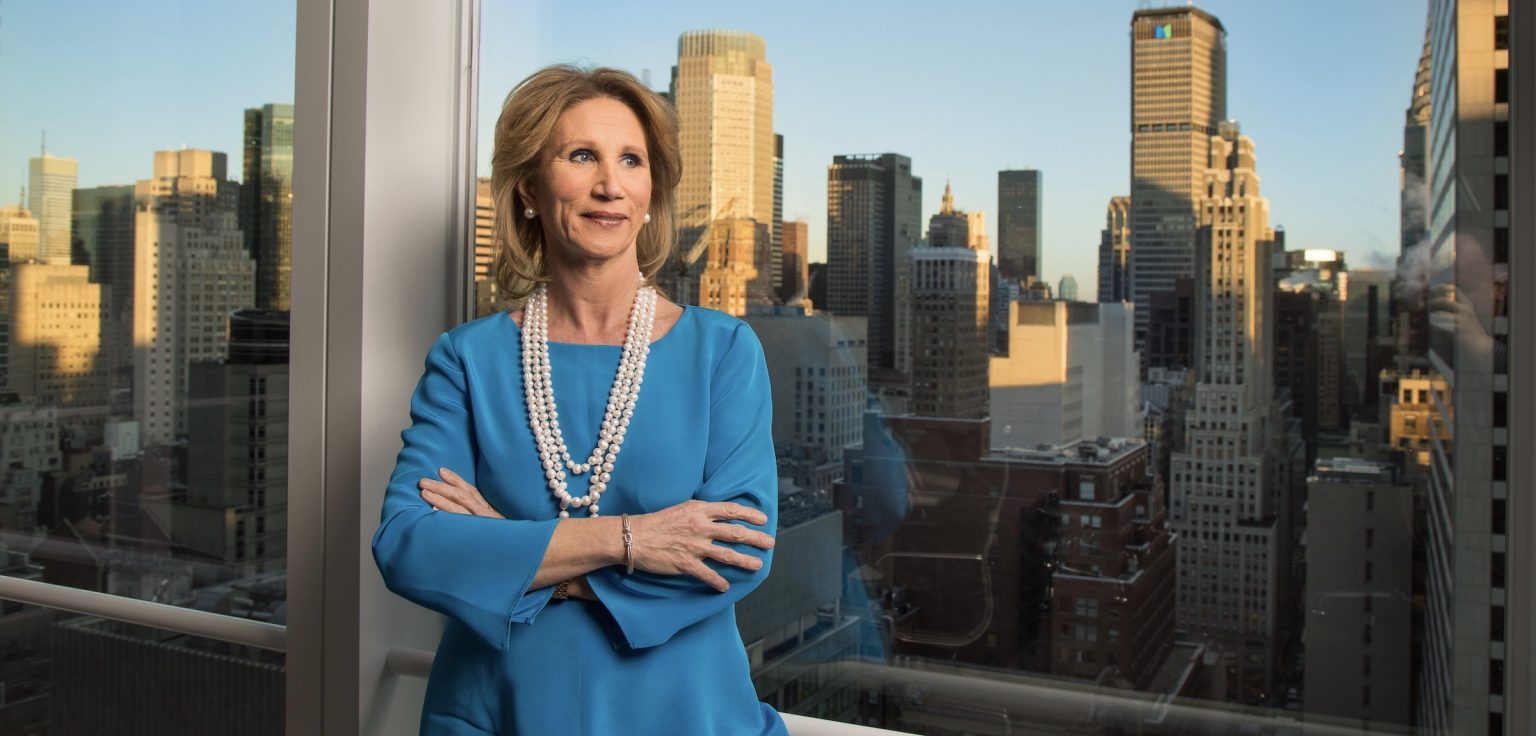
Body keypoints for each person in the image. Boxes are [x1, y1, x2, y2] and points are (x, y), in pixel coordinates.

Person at [371, 65, 786, 736]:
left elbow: (734, 554)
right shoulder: (466, 360)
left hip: (688, 717)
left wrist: (510, 551)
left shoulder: (723, 353)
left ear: (651, 192)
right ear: (531, 188)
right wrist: (633, 539)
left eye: (631, 160)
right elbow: (408, 545)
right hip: (498, 716)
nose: (609, 184)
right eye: (581, 155)